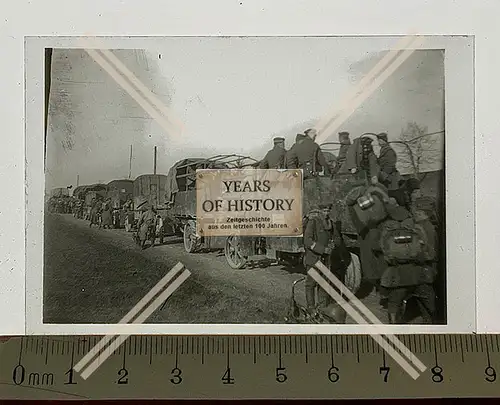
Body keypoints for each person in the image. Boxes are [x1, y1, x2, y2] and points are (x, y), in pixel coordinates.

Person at [379, 206, 438, 324]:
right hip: (419, 274)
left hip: (398, 276)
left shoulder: (388, 232)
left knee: (394, 303)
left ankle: (393, 326)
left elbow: (385, 254)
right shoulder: (417, 230)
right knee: (428, 302)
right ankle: (433, 324)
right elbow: (428, 254)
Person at [303, 203, 346, 322]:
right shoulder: (313, 222)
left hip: (326, 261)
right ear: (320, 211)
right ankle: (311, 308)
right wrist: (322, 249)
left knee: (323, 285)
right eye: (324, 211)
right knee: (311, 284)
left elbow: (337, 238)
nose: (326, 213)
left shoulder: (331, 224)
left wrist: (335, 244)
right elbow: (307, 240)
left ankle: (322, 308)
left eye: (328, 211)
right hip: (314, 259)